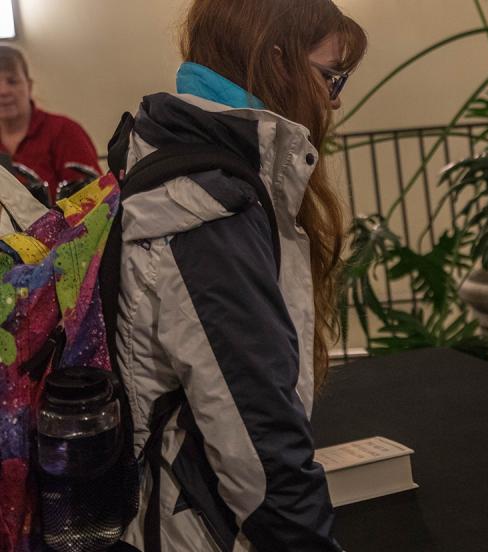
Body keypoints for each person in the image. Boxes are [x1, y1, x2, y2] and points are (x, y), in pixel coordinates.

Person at [113, 0, 365, 550]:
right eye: (330, 75)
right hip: (202, 526)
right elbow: (256, 437)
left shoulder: (189, 156)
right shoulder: (207, 204)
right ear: (278, 61)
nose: (334, 97)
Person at [0, 45, 100, 202]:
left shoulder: (65, 131)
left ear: (29, 85)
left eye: (12, 81)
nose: (3, 91)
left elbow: (95, 200)